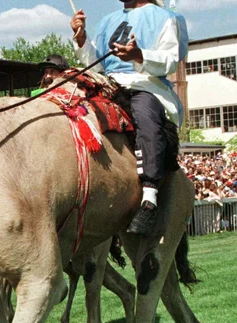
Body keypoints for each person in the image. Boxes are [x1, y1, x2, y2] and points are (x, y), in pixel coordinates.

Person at [71, 0, 187, 234]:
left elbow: (170, 59)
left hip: (144, 84)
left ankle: (150, 197)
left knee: (146, 119)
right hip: (107, 84)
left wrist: (139, 55)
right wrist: (81, 38)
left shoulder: (167, 17)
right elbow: (97, 64)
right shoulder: (107, 21)